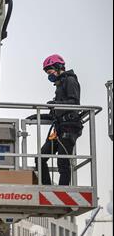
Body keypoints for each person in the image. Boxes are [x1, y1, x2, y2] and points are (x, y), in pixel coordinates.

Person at [32, 54, 83, 186]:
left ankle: (63, 190)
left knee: (63, 162)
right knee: (40, 157)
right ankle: (47, 187)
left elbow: (74, 102)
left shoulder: (70, 81)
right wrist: (39, 116)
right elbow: (56, 112)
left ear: (59, 68)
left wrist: (56, 106)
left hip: (69, 127)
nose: (50, 75)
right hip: (59, 127)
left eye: (50, 72)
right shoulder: (59, 84)